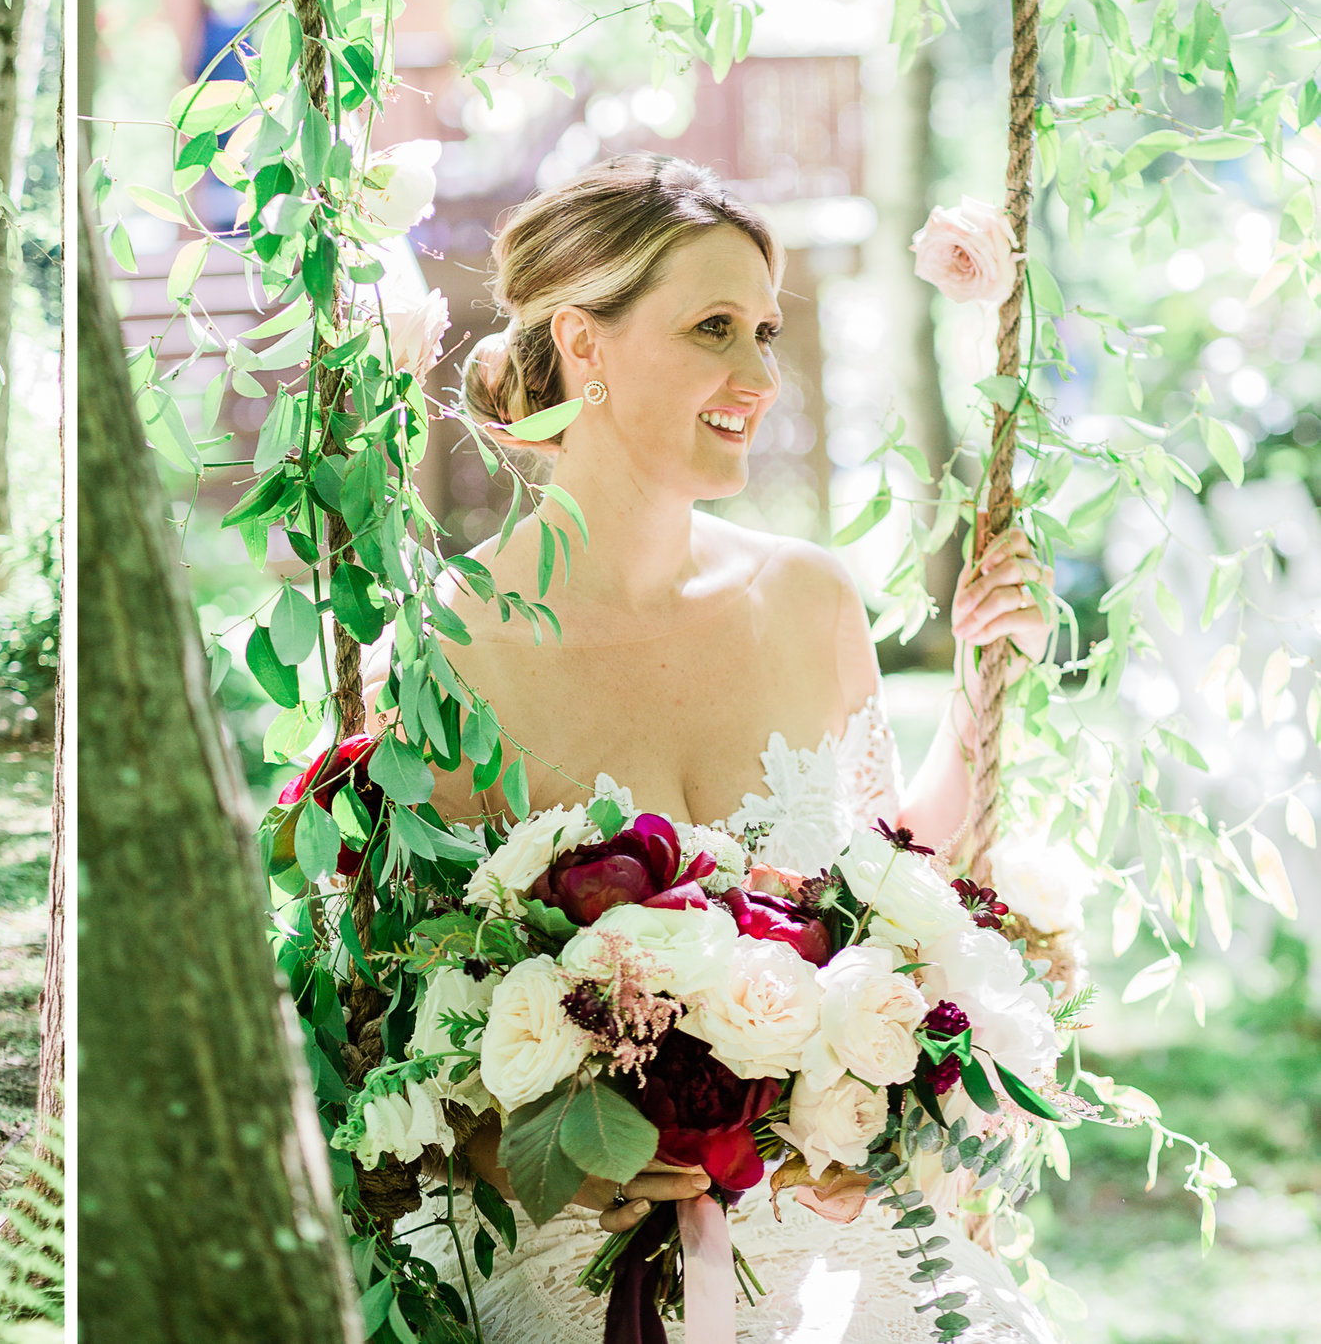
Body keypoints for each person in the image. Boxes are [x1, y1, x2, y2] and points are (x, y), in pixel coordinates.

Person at [415, 154, 1055, 1343]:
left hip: (831, 1218)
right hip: (581, 1247)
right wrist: (539, 1158)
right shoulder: (453, 645)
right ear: (584, 343)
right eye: (714, 328)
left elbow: (895, 871)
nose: (759, 375)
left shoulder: (808, 599)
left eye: (764, 330)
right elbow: (403, 1028)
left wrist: (980, 682)